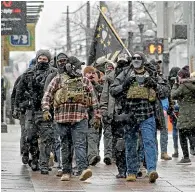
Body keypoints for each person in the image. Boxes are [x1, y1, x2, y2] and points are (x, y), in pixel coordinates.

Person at [110, 52, 167, 183]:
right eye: (134, 58)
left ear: (143, 60)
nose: (136, 60)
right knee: (130, 143)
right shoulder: (125, 73)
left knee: (149, 142)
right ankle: (131, 171)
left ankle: (152, 170)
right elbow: (113, 90)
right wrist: (124, 85)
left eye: (139, 58)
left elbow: (165, 91)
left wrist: (154, 84)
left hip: (148, 113)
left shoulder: (151, 73)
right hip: (130, 114)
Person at [42, 56, 101, 181]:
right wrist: (46, 110)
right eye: (78, 66)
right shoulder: (58, 79)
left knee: (77, 144)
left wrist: (97, 116)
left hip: (79, 118)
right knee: (66, 144)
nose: (79, 69)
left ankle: (81, 170)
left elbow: (94, 100)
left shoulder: (84, 81)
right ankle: (67, 171)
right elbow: (47, 95)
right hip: (62, 119)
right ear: (70, 67)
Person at [15, 49, 57, 174]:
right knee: (30, 136)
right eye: (40, 58)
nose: (42, 61)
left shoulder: (54, 73)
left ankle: (44, 164)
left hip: (47, 110)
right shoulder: (28, 73)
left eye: (45, 59)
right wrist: (20, 105)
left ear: (49, 60)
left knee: (46, 138)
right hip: (31, 110)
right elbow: (19, 91)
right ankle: (34, 159)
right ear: (37, 59)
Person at [100, 55, 130, 178]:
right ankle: (122, 169)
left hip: (130, 113)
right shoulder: (111, 77)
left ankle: (134, 167)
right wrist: (104, 111)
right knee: (118, 143)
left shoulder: (132, 75)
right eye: (120, 63)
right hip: (115, 115)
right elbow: (105, 95)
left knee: (133, 142)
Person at [171, 66, 195, 164]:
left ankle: (186, 157)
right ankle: (192, 149)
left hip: (185, 114)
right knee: (192, 133)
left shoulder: (182, 86)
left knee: (182, 134)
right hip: (193, 114)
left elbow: (173, 95)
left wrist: (175, 85)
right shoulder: (193, 84)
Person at [83, 66, 103, 166]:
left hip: (94, 113)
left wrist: (95, 83)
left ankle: (92, 156)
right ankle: (88, 156)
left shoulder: (96, 85)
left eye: (93, 73)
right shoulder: (81, 84)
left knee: (93, 134)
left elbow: (104, 92)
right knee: (84, 136)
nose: (91, 75)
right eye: (88, 73)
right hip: (83, 114)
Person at [167, 67, 181, 157]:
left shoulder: (169, 83)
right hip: (182, 108)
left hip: (173, 108)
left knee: (175, 129)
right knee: (186, 130)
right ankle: (191, 148)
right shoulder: (181, 81)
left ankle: (176, 150)